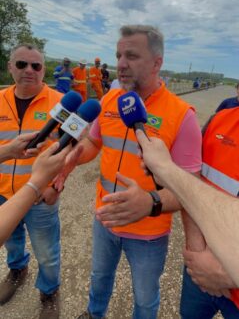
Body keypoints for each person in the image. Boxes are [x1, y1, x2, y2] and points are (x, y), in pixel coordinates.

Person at [55, 24, 202, 319]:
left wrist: (150, 204)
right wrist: (72, 158)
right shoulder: (110, 99)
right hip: (104, 218)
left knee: (145, 298)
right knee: (99, 279)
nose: (120, 64)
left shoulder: (181, 116)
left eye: (131, 56)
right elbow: (94, 143)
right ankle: (94, 314)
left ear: (157, 63)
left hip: (148, 234)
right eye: (118, 55)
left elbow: (190, 192)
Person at [134, 129, 239, 308]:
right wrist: (196, 250)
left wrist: (227, 272)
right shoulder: (221, 117)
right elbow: (192, 184)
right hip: (199, 266)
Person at [0, 44, 64, 319]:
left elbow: (71, 149)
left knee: (47, 253)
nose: (29, 70)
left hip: (39, 197)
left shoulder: (61, 103)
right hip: (3, 195)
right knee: (12, 242)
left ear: (43, 71)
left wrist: (56, 184)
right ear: (10, 67)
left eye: (36, 66)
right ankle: (17, 270)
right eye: (22, 64)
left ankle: (49, 292)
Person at [0, 141, 70, 247]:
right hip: (3, 195)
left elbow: (70, 147)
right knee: (13, 248)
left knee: (47, 255)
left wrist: (55, 186)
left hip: (40, 199)